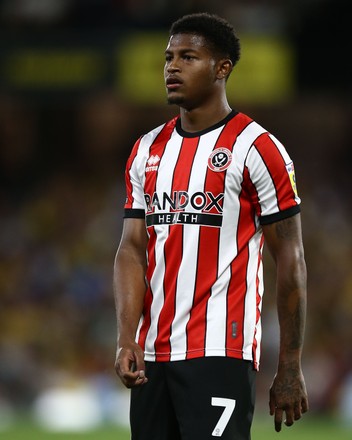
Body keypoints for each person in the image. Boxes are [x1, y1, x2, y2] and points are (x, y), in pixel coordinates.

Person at [113, 12, 308, 440]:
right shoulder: (146, 150)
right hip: (152, 355)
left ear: (223, 68)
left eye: (188, 57)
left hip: (220, 351)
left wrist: (290, 364)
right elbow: (130, 248)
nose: (172, 67)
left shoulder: (257, 148)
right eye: (168, 58)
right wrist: (127, 337)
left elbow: (290, 258)